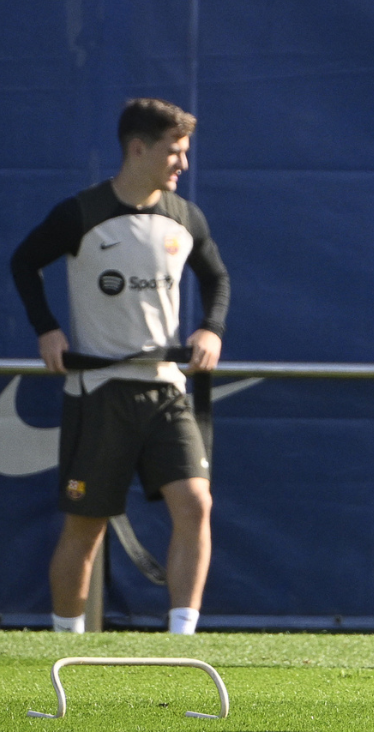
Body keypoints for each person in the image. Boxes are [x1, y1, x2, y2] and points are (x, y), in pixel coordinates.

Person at [9, 98, 230, 635]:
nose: (183, 164)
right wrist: (47, 327)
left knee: (196, 504)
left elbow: (216, 279)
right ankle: (65, 649)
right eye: (175, 152)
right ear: (138, 148)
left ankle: (181, 644)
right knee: (86, 528)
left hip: (167, 391)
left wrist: (210, 329)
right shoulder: (81, 213)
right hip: (99, 392)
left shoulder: (185, 217)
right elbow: (23, 263)